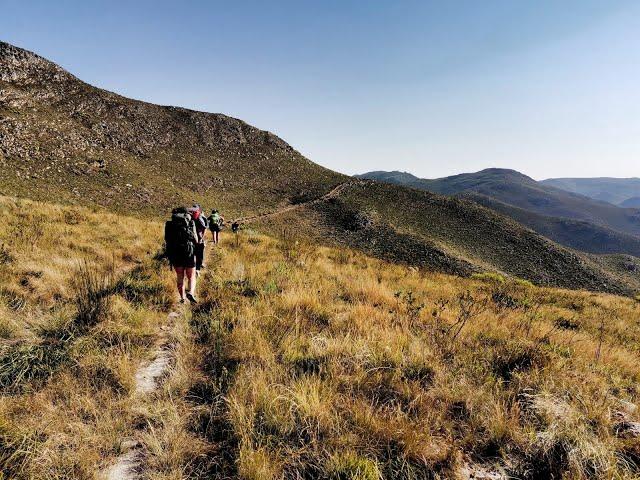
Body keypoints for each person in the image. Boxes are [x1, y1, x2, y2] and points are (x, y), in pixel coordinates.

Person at [164, 207, 198, 304]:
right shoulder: (191, 222)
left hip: (175, 252)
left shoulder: (169, 224)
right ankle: (191, 292)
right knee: (191, 276)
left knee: (180, 276)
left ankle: (182, 298)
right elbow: (195, 239)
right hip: (189, 252)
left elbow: (167, 239)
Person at [188, 204, 208, 276]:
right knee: (199, 254)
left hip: (190, 238)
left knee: (192, 254)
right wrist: (202, 237)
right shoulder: (200, 217)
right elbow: (205, 227)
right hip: (199, 238)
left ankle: (193, 269)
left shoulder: (189, 216)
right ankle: (197, 269)